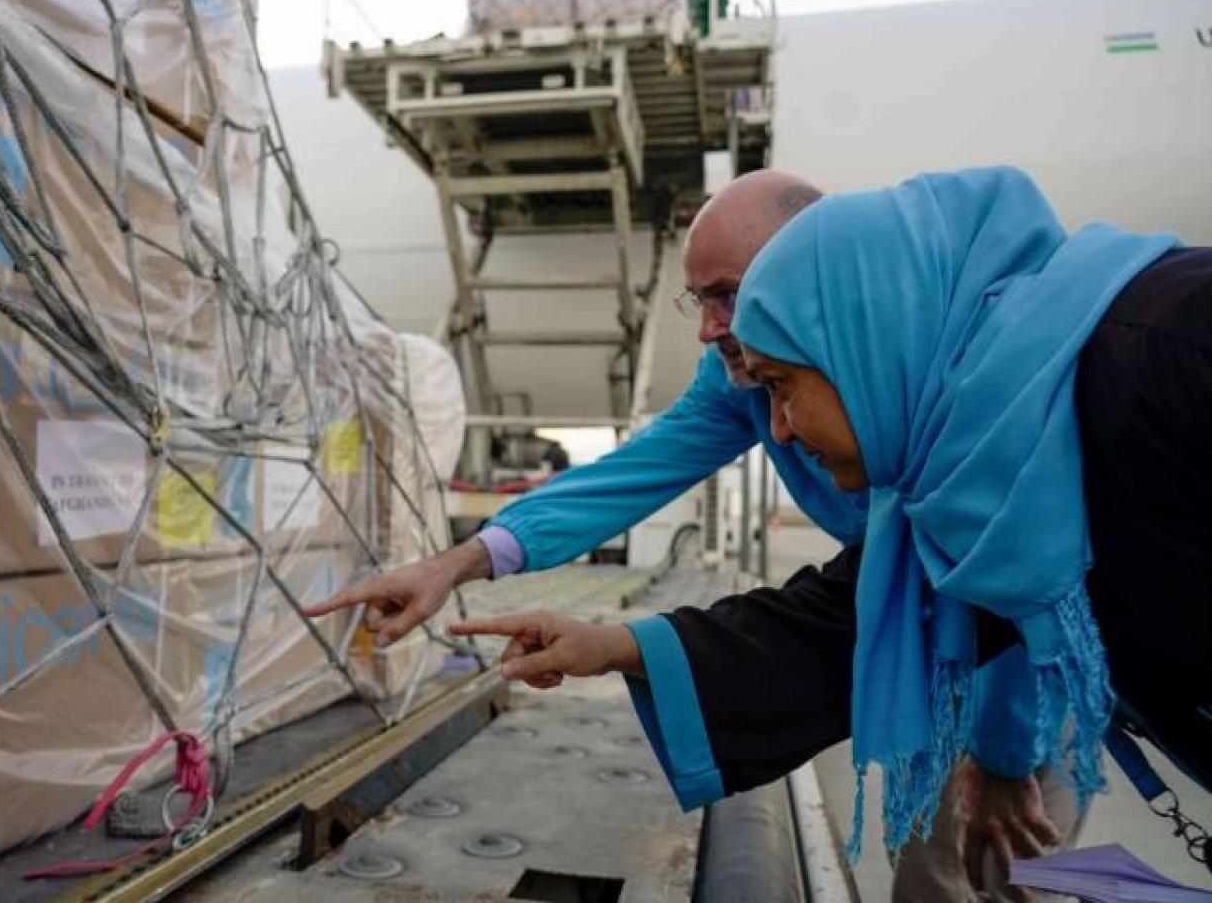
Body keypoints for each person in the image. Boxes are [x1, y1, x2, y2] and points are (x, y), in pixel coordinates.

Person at [307, 170, 1087, 900]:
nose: (712, 329)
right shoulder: (743, 373)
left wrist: (1007, 753)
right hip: (919, 651)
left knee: (1001, 866)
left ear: (812, 278)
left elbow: (1022, 581)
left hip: (1023, 684)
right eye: (699, 302)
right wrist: (458, 563)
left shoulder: (958, 385)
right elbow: (637, 469)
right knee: (931, 869)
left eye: (728, 295)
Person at [449, 167, 1211, 895]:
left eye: (781, 386)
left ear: (847, 316)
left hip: (1019, 708)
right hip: (938, 679)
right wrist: (600, 634)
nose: (775, 429)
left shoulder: (1169, 354)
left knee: (992, 874)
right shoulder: (966, 437)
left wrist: (1007, 754)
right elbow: (869, 605)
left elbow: (996, 605)